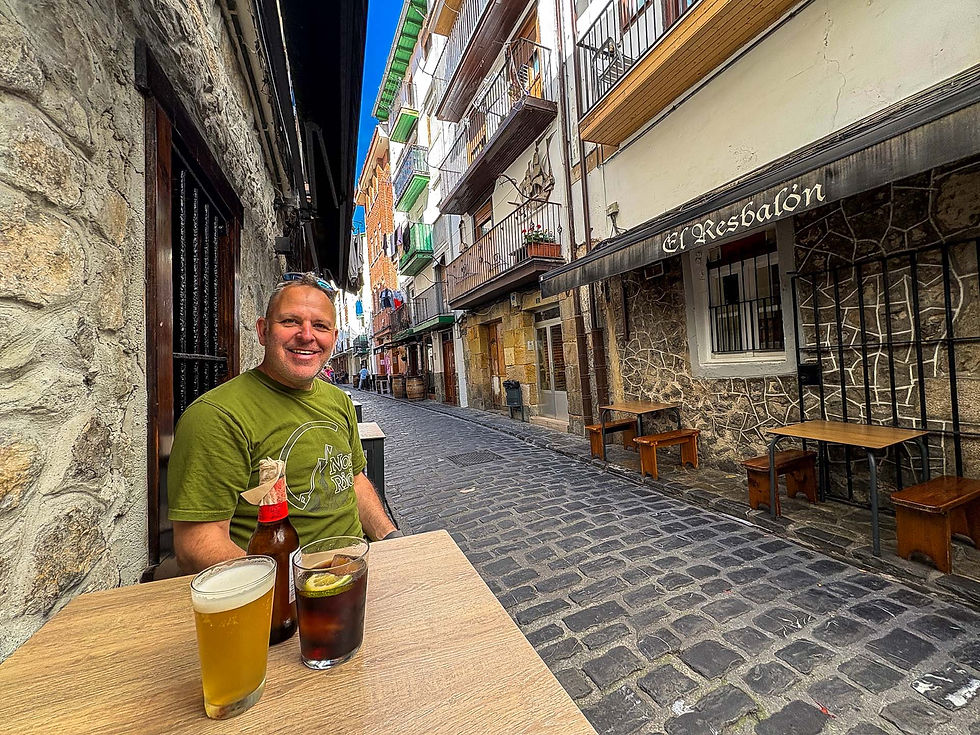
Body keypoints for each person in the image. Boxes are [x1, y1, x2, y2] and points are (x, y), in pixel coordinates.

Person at [167, 272, 399, 574]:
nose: (306, 335)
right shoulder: (216, 416)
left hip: (357, 572)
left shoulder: (338, 401)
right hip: (278, 597)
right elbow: (197, 543)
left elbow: (353, 481)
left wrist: (390, 537)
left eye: (320, 326)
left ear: (334, 338)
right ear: (263, 331)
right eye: (290, 321)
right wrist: (291, 589)